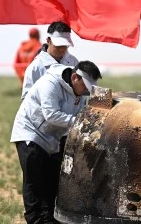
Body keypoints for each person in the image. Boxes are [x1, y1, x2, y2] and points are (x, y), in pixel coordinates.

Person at [10, 61, 103, 224]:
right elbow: (51, 115)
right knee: (34, 179)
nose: (87, 91)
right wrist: (79, 121)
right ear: (75, 77)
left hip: (52, 138)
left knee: (52, 179)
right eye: (86, 86)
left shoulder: (81, 94)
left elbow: (79, 116)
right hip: (31, 132)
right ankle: (36, 218)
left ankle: (50, 218)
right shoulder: (50, 84)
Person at [21, 21, 79, 100]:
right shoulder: (35, 67)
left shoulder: (73, 62)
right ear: (48, 41)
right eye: (58, 45)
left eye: (65, 45)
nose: (62, 49)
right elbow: (27, 99)